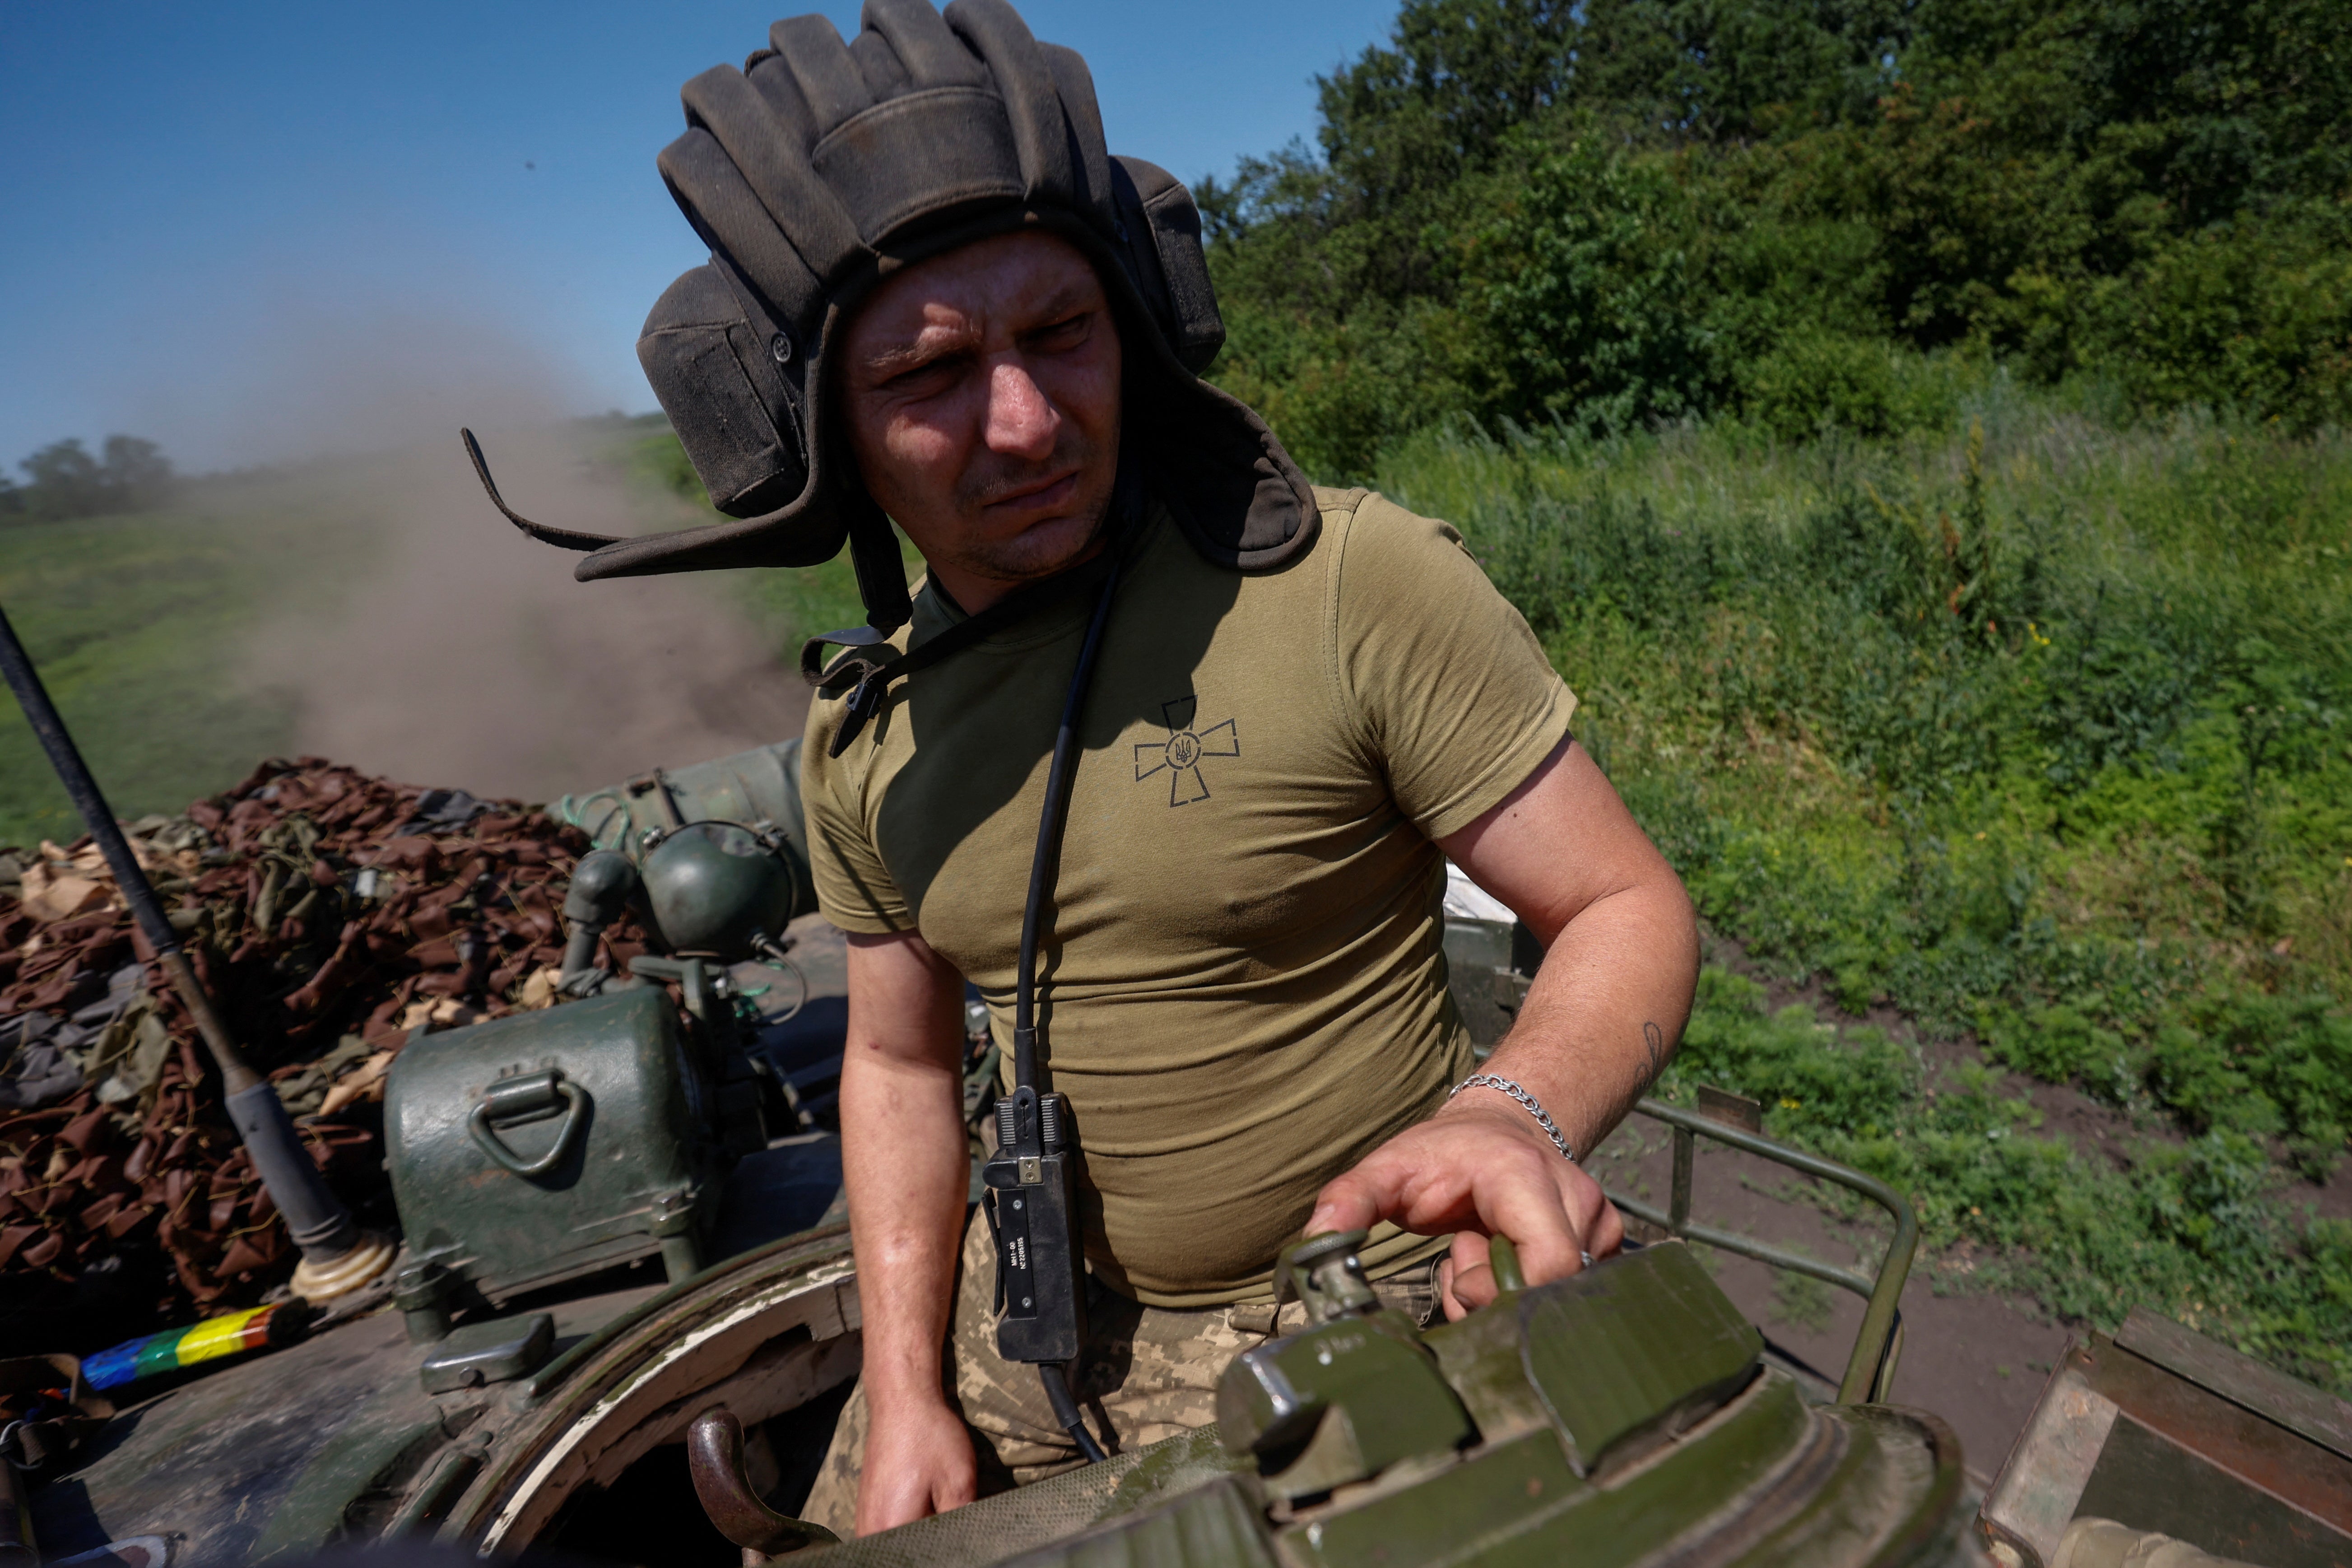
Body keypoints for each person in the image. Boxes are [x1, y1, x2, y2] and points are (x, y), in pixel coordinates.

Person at [496, 0, 1696, 1540]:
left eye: (1060, 335)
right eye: (928, 375)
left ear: (1128, 326)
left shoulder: (1350, 586)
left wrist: (1512, 1113)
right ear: (829, 439)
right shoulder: (868, 732)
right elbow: (900, 1066)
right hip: (1039, 1323)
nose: (1024, 421)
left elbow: (1621, 901)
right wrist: (913, 1381)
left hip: (1377, 1294)